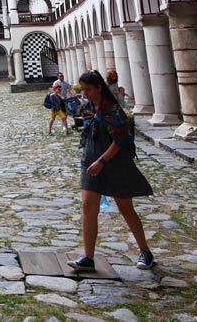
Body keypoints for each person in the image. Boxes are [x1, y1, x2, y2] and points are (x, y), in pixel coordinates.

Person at [67, 71, 155, 273]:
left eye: (89, 89)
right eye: (84, 90)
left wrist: (102, 160)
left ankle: (145, 251)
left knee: (125, 208)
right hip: (91, 160)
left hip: (114, 162)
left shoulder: (113, 109)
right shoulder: (88, 108)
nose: (86, 93)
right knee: (88, 206)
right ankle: (88, 257)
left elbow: (122, 140)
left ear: (99, 87)